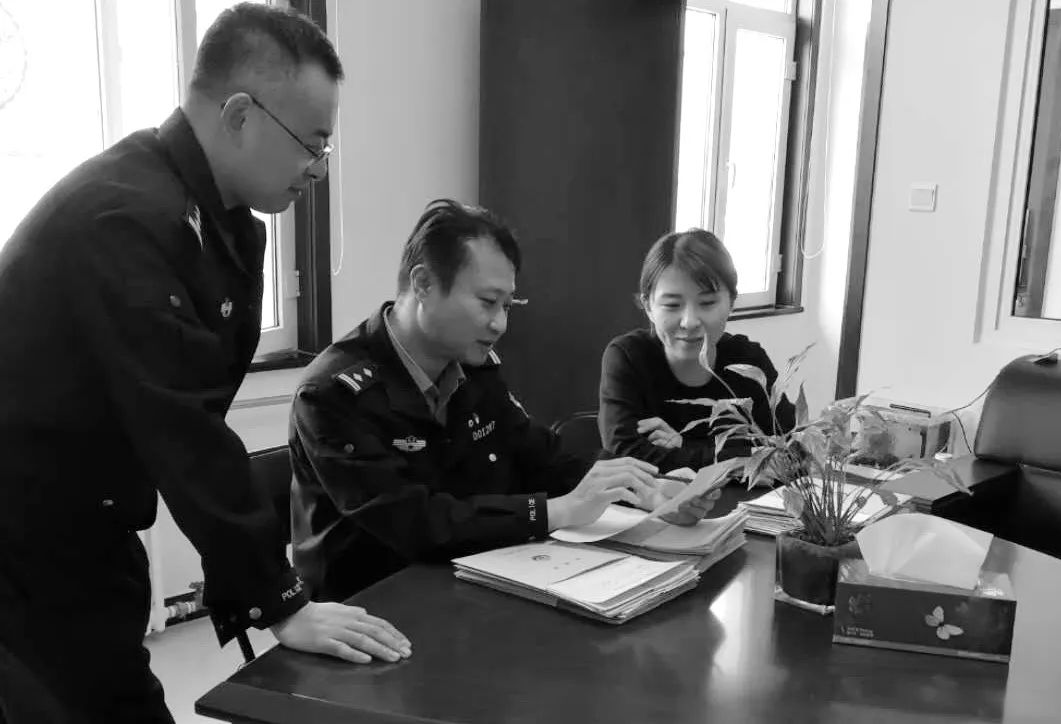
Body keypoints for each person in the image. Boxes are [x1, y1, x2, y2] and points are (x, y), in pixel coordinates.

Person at [0, 5, 408, 723]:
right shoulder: (125, 217)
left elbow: (195, 405)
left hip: (91, 525)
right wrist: (280, 600)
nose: (319, 168)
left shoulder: (221, 223)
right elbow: (181, 423)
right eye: (311, 143)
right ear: (241, 115)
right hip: (23, 535)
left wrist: (250, 579)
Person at [290, 200, 718, 602]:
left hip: (471, 583)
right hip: (375, 607)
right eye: (488, 303)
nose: (500, 324)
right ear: (423, 284)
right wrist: (555, 512)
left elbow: (542, 459)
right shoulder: (333, 394)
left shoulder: (473, 368)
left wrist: (646, 491)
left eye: (508, 305)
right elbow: (416, 523)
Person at [599, 229, 795, 473]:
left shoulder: (747, 361)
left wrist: (685, 447)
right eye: (672, 305)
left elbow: (793, 450)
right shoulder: (628, 357)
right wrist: (743, 457)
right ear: (648, 305)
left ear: (731, 303)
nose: (690, 321)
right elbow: (626, 456)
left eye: (707, 303)